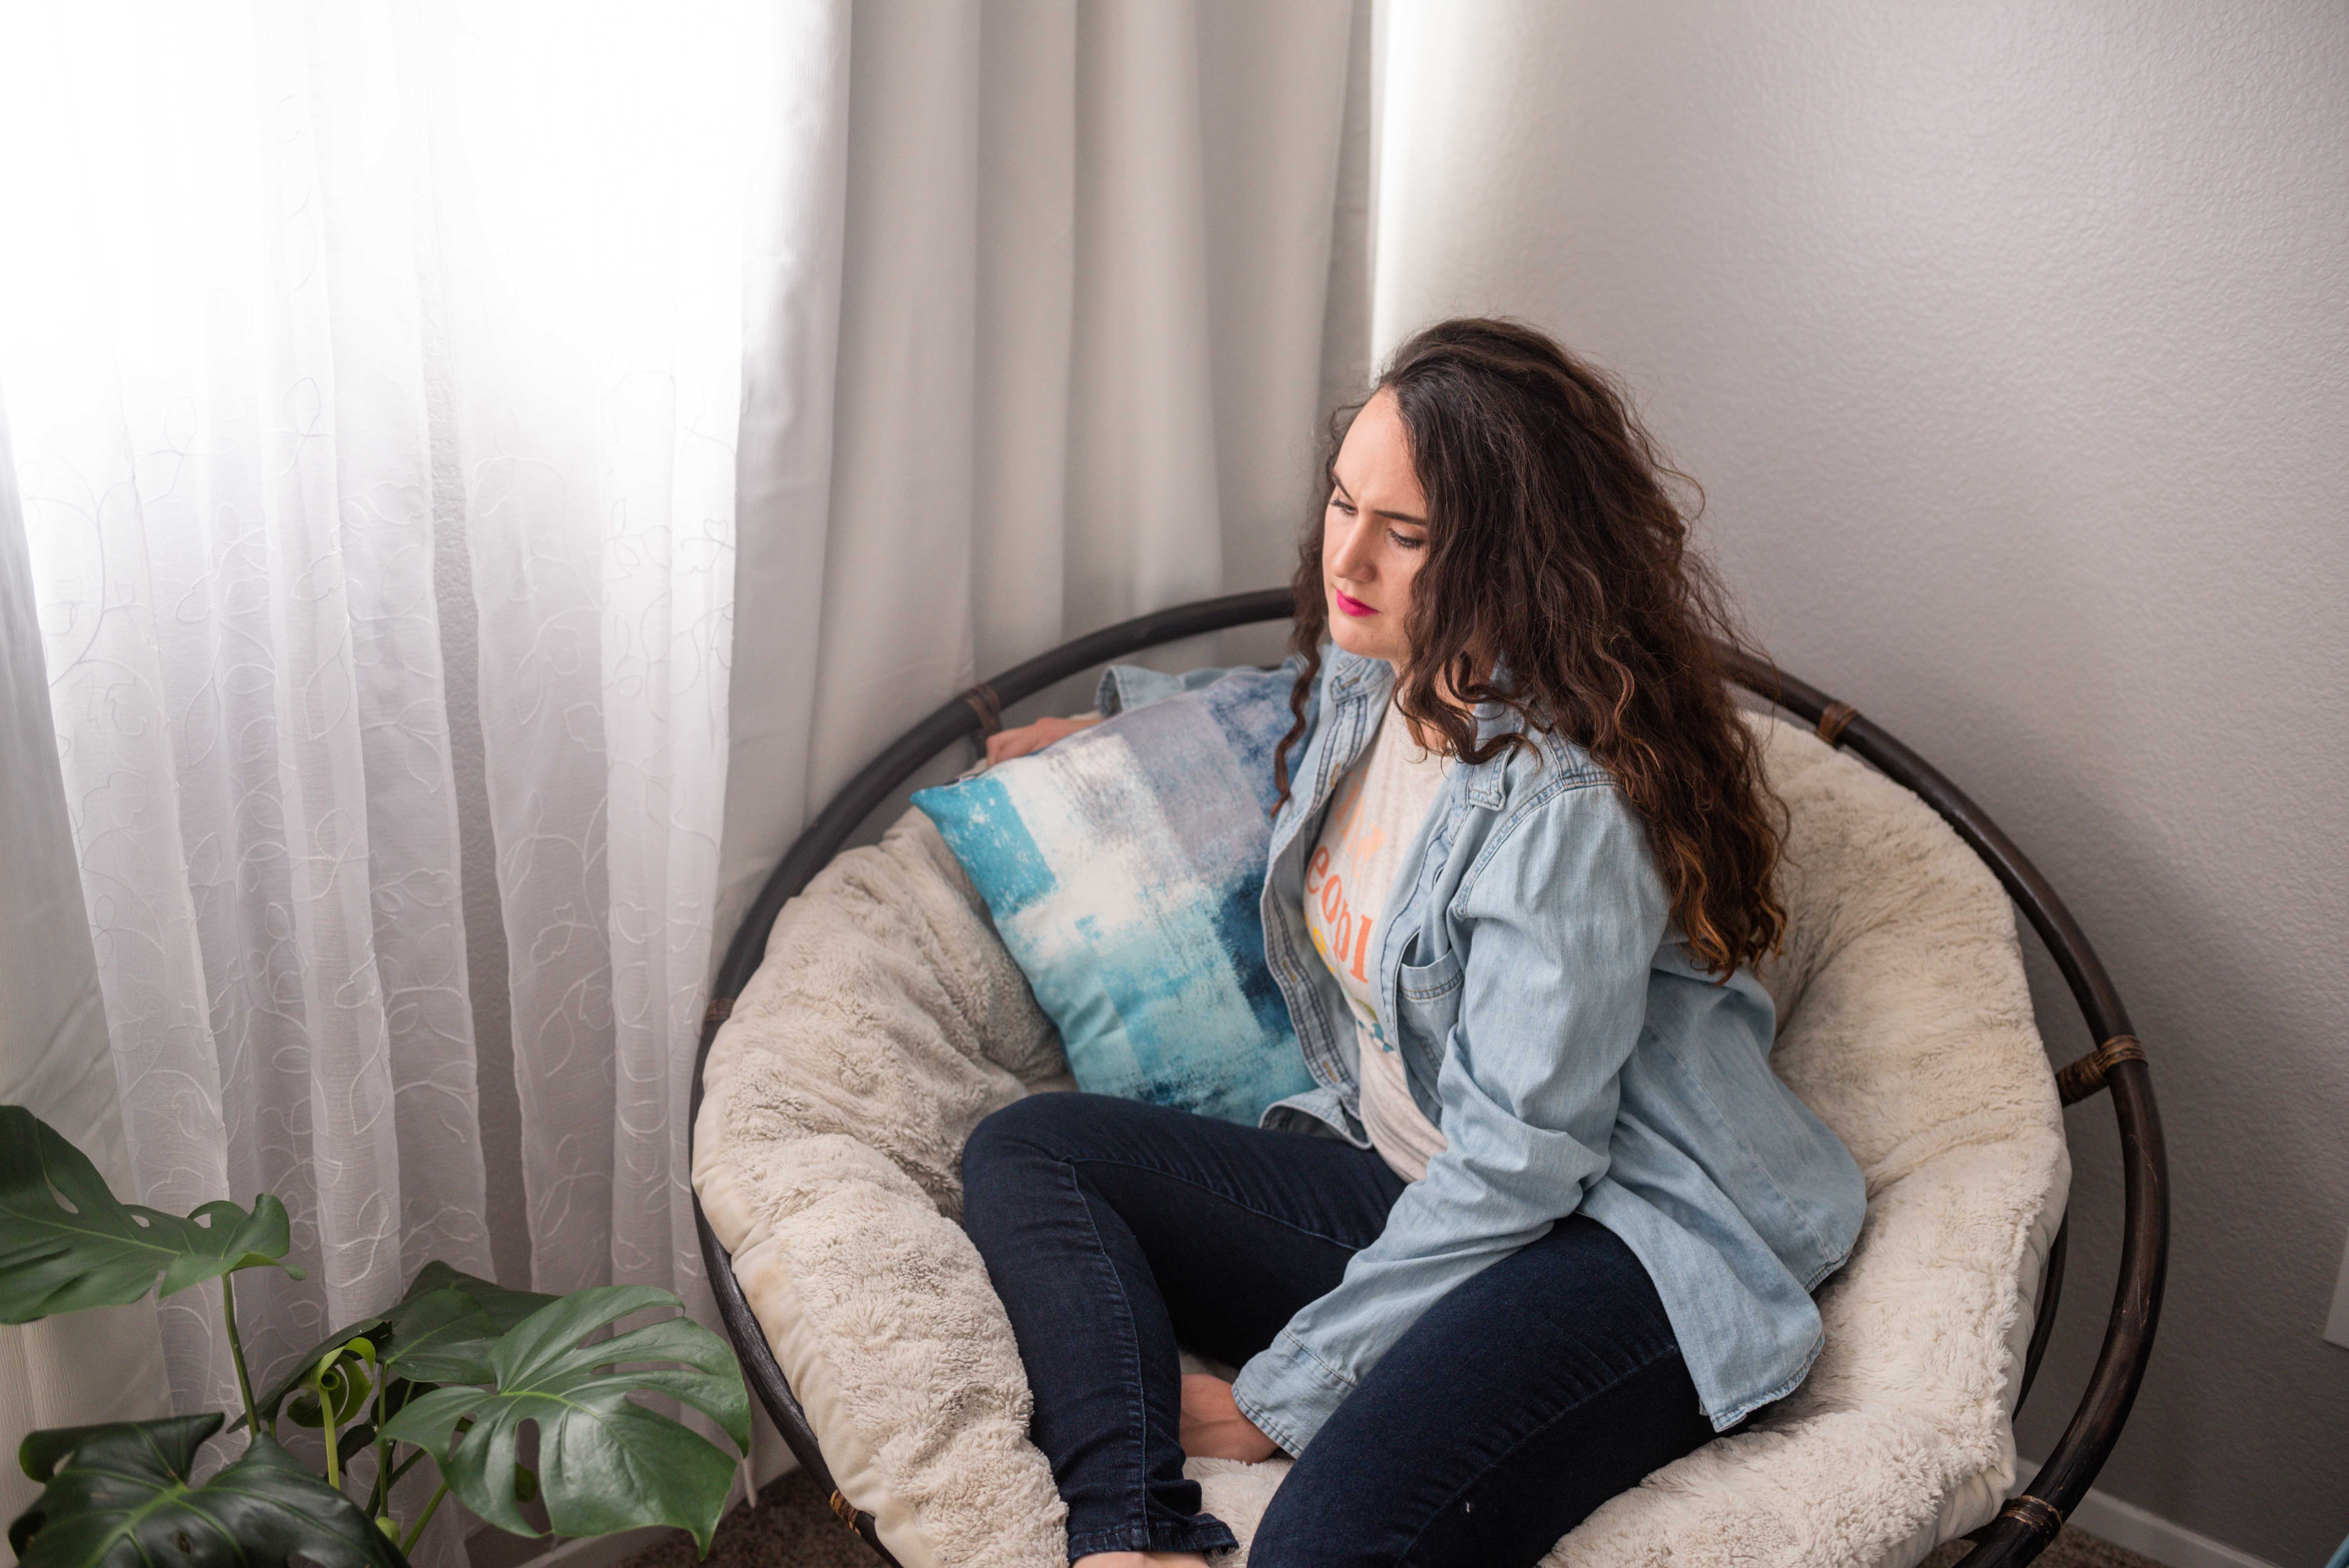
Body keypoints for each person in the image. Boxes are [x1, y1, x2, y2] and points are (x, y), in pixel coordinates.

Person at [960, 318, 1866, 1568]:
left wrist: (1279, 1398)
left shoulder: (1563, 815)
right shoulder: (1377, 664)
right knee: (1029, 1151)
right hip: (1411, 1185)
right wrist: (1109, 728)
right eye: (1343, 504)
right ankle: (1129, 1537)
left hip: (1616, 1243)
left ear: (1516, 561)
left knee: (1326, 1545)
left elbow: (1521, 1168)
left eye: (1410, 535)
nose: (1350, 559)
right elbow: (1278, 704)